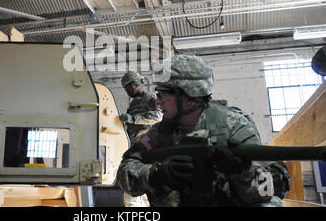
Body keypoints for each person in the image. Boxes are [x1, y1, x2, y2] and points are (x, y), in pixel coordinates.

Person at [116, 55, 290, 207]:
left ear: (189, 97)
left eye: (163, 95)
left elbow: (265, 192)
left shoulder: (233, 126)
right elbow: (126, 169)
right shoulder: (158, 133)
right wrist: (156, 174)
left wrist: (241, 172)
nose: (158, 102)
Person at [119, 71, 162, 207]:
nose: (127, 90)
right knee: (138, 178)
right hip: (136, 144)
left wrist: (133, 119)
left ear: (137, 84)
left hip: (147, 143)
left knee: (137, 176)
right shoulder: (133, 104)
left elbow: (158, 116)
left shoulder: (149, 97)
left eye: (129, 87)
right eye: (125, 88)